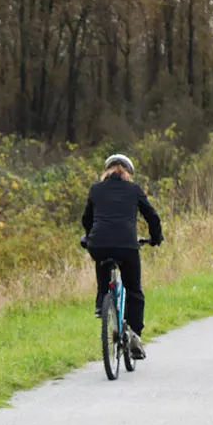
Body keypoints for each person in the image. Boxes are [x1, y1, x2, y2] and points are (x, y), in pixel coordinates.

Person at [80, 152, 163, 359]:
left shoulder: (96, 189)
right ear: (128, 173)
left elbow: (87, 219)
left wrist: (89, 236)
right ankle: (134, 333)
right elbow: (152, 216)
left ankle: (102, 302)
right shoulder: (134, 189)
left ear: (107, 171)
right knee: (134, 290)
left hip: (99, 244)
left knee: (101, 258)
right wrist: (155, 238)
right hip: (127, 245)